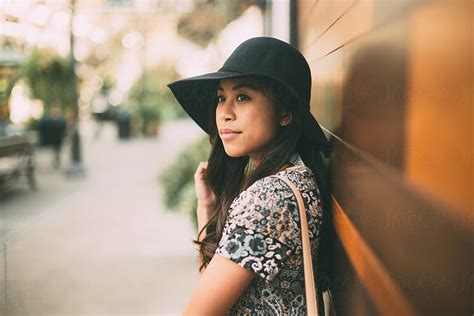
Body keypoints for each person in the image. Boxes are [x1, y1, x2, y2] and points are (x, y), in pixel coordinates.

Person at [167, 36, 332, 315]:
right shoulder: (296, 175)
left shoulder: (269, 199)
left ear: (285, 113)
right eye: (221, 98)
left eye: (242, 97)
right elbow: (215, 283)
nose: (225, 113)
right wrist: (206, 204)